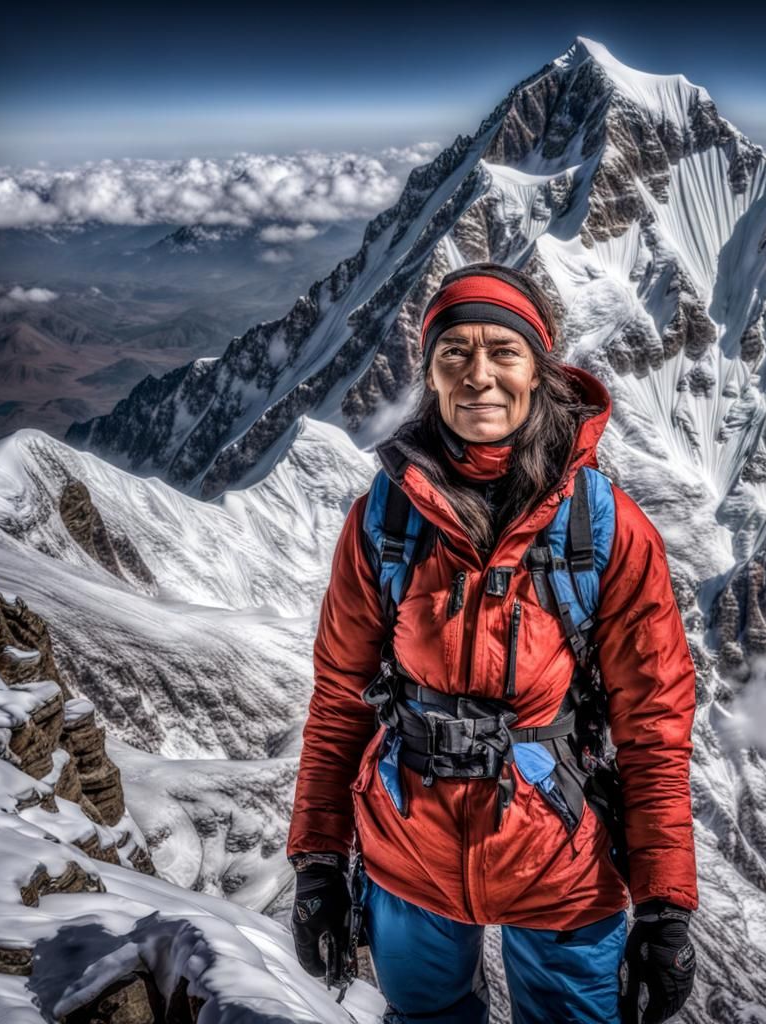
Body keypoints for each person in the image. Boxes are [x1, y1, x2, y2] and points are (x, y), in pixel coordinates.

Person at [287, 262, 699, 1023]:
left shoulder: (604, 529)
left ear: (538, 369)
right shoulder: (384, 522)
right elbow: (341, 701)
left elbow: (654, 728)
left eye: (504, 352)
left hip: (563, 868)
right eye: (455, 353)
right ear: (431, 373)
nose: (480, 375)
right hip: (410, 861)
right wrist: (317, 861)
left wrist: (664, 904)